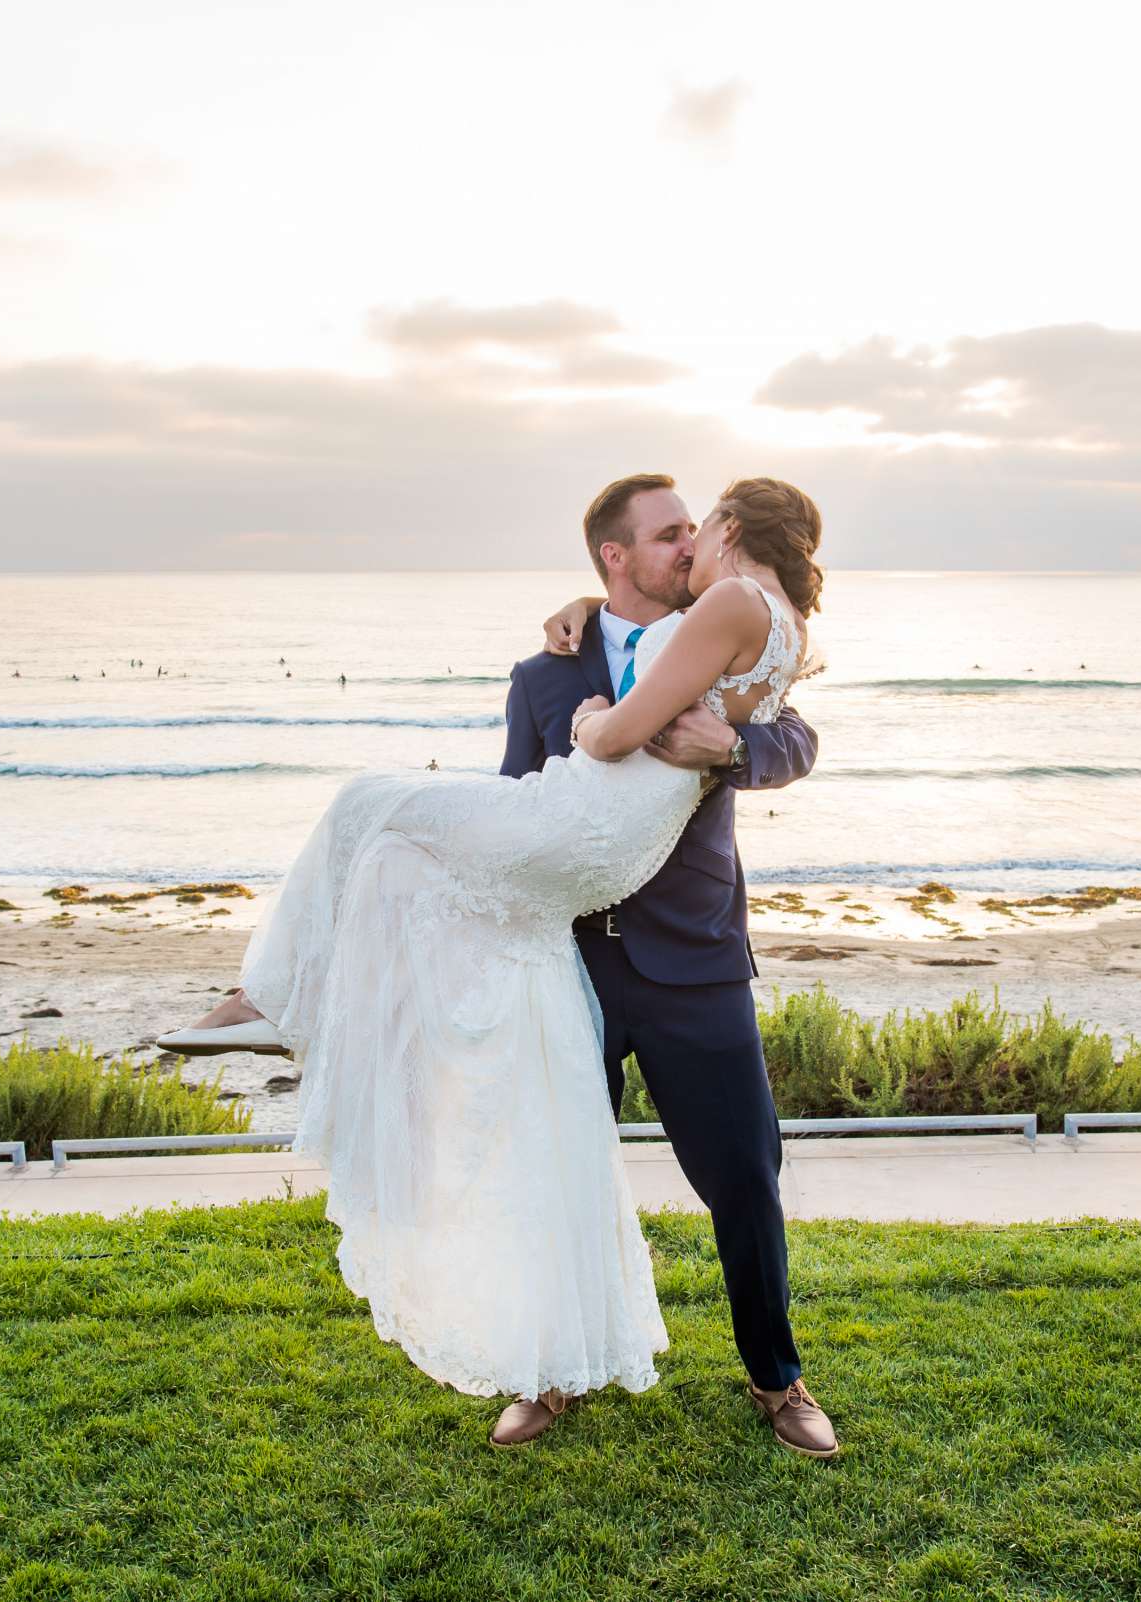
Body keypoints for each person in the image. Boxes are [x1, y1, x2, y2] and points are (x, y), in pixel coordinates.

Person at [158, 475, 833, 1456]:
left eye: (697, 528)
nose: (687, 544)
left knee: (743, 1178)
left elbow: (796, 734)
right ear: (614, 558)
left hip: (691, 955)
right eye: (667, 535)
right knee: (546, 1168)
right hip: (564, 953)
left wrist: (731, 749)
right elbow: (521, 801)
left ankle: (780, 1382)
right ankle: (548, 1374)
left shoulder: (726, 617)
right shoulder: (545, 669)